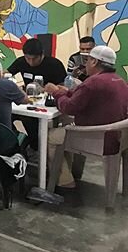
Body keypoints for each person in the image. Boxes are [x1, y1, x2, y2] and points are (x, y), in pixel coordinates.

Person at [45, 46, 128, 188]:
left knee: (49, 137)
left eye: (88, 59)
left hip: (98, 138)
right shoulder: (119, 81)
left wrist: (56, 93)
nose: (85, 64)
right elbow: (87, 99)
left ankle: (65, 181)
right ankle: (72, 173)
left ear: (95, 62)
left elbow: (69, 108)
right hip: (119, 137)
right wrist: (68, 92)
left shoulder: (93, 82)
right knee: (64, 130)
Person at [7, 38, 67, 153]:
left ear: (42, 55)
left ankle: (37, 148)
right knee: (6, 117)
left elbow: (63, 88)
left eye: (34, 59)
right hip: (24, 102)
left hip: (46, 105)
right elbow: (8, 74)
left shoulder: (54, 64)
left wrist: (48, 89)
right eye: (27, 58)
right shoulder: (20, 62)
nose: (30, 62)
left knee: (31, 122)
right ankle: (16, 145)